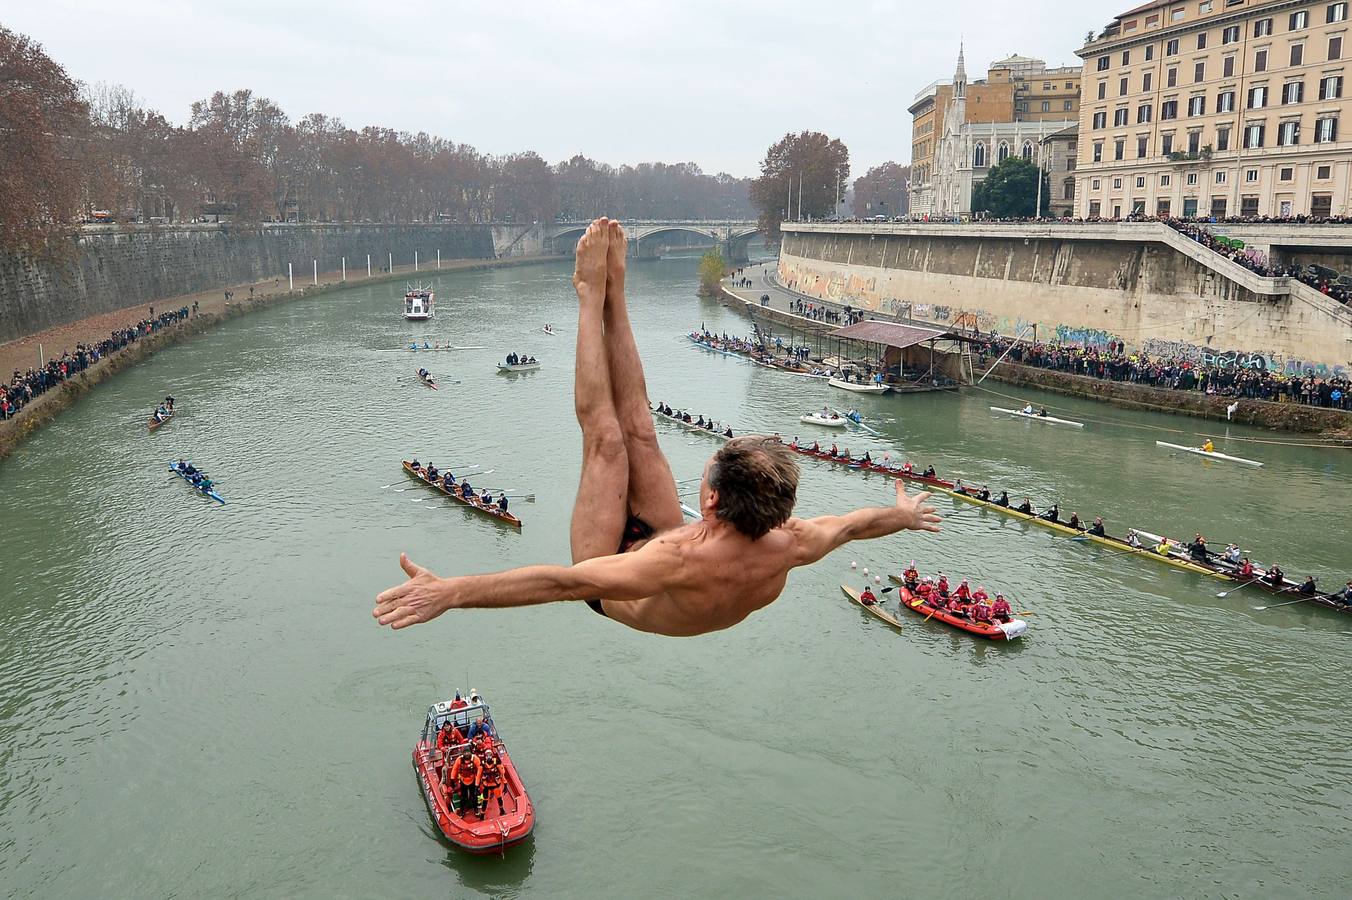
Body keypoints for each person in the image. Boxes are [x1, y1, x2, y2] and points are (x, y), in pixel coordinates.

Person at [374, 219, 942, 638]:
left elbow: (562, 585)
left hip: (611, 578)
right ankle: (618, 298)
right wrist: (905, 516)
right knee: (641, 429)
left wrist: (450, 592)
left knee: (606, 439)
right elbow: (853, 524)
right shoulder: (792, 542)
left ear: (713, 499)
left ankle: (589, 296)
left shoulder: (676, 562)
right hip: (665, 549)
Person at [447, 748, 481, 817]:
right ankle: (462, 811)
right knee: (463, 797)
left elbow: (479, 771)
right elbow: (454, 769)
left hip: (473, 780)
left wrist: (477, 784)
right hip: (463, 780)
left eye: (468, 753)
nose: (466, 755)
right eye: (465, 753)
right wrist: (452, 780)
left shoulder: (476, 759)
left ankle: (476, 810)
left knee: (474, 796)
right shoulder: (459, 760)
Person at [478, 751, 506, 818]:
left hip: (496, 784)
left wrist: (505, 784)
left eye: (490, 755)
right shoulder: (482, 764)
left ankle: (502, 811)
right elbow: (478, 775)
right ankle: (482, 815)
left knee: (499, 798)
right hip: (486, 785)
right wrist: (477, 785)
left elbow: (502, 774)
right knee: (485, 800)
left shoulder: (497, 762)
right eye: (487, 755)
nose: (488, 756)